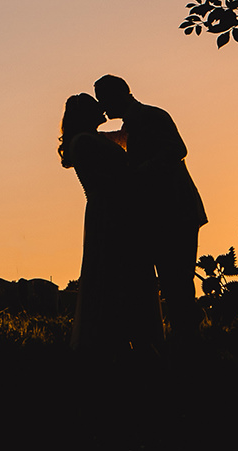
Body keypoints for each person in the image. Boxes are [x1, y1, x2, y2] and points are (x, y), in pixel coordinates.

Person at [95, 74, 210, 346]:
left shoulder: (153, 116)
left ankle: (191, 343)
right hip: (159, 216)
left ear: (121, 94)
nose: (103, 107)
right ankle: (184, 340)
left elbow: (177, 149)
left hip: (176, 212)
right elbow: (123, 138)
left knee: (176, 283)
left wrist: (140, 172)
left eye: (105, 100)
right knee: (167, 282)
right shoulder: (134, 124)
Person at [58, 93, 160, 361]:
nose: (101, 110)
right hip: (107, 211)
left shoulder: (96, 139)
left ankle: (132, 337)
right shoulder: (83, 142)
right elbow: (108, 176)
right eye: (95, 107)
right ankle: (108, 339)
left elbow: (125, 136)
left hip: (116, 209)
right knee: (110, 269)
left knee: (126, 271)